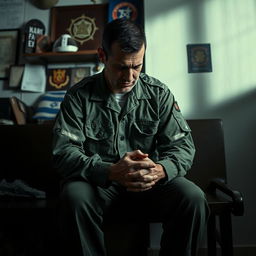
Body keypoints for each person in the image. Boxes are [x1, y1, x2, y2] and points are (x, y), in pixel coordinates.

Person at [52, 18, 209, 256]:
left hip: (150, 183)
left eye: (137, 66)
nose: (130, 76)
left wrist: (160, 170)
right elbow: (64, 153)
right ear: (102, 56)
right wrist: (109, 171)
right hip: (100, 185)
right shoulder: (78, 96)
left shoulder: (159, 94)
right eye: (121, 67)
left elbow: (183, 147)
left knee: (193, 198)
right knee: (74, 197)